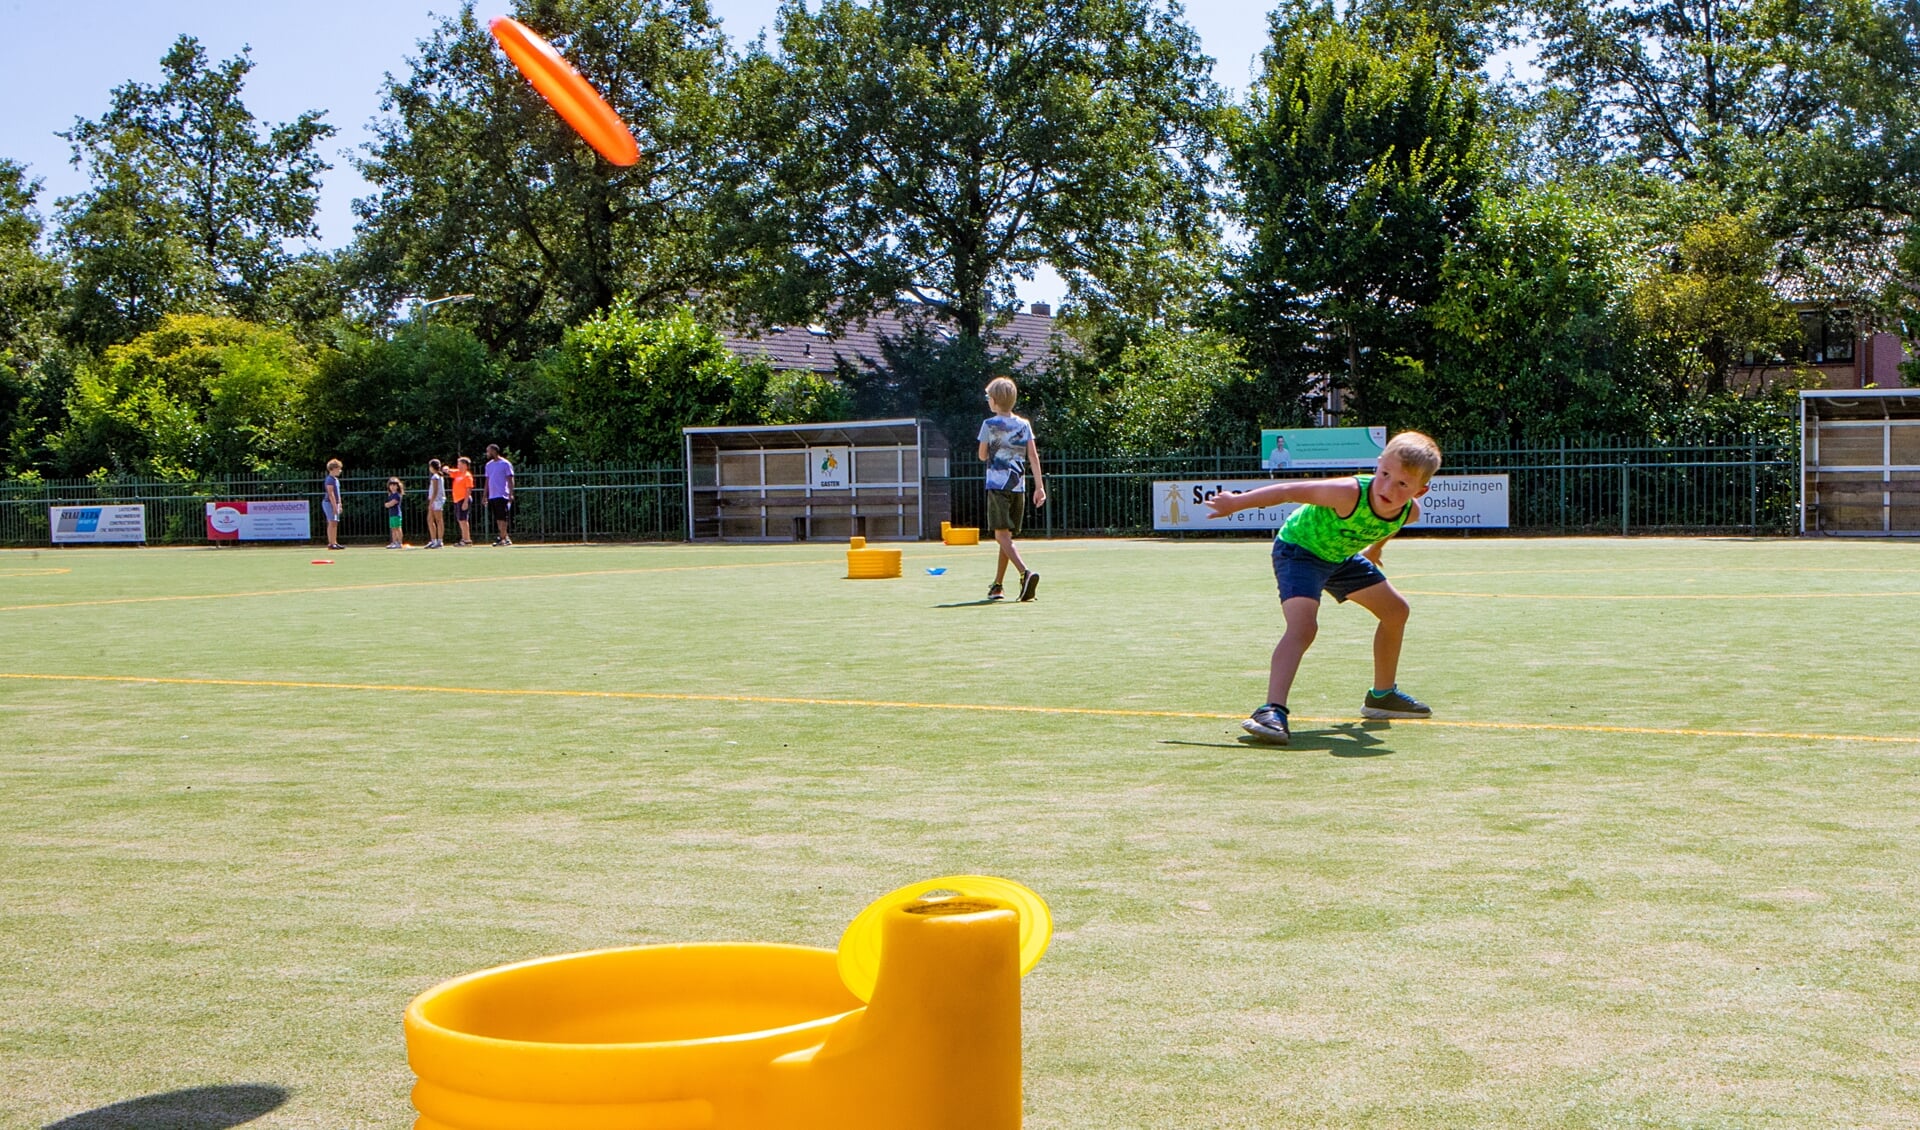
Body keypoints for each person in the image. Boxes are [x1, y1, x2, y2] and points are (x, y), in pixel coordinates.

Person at [1204, 431, 1443, 746]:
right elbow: (1289, 490)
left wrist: (1375, 550)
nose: (1388, 488)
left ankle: (1381, 697)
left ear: (1420, 490)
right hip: (1299, 551)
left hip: (1340, 558)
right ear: (1378, 464)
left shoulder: (1409, 511)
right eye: (1385, 475)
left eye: (1402, 485)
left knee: (1396, 611)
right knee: (1303, 627)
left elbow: (1390, 523)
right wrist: (1236, 503)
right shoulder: (1346, 492)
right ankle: (1270, 710)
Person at [977, 376, 1046, 601]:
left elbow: (982, 454)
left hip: (997, 485)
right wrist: (1039, 487)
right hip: (1018, 486)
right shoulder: (1024, 424)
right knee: (1005, 537)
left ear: (995, 401)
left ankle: (1025, 573)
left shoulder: (989, 425)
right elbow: (1033, 457)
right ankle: (997, 585)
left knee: (1001, 535)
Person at [484, 444, 515, 546]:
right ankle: (503, 537)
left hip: (502, 494)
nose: (487, 453)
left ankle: (502, 537)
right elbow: (487, 480)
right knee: (498, 517)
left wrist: (511, 493)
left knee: (503, 517)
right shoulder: (488, 465)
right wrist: (485, 495)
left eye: (488, 451)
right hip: (492, 495)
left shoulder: (505, 464)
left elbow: (510, 479)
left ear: (494, 451)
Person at [448, 456, 475, 546]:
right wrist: (445, 469)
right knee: (460, 520)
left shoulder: (467, 476)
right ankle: (464, 539)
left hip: (463, 499)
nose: (458, 466)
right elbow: (449, 471)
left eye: (459, 464)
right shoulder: (458, 473)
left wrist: (465, 502)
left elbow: (469, 489)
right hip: (457, 500)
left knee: (463, 520)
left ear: (465, 465)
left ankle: (467, 540)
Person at [424, 459, 447, 548]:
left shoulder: (436, 477)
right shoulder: (436, 476)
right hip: (435, 500)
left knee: (438, 520)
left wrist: (431, 502)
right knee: (430, 519)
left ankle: (440, 541)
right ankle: (433, 540)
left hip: (437, 501)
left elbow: (435, 490)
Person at [322, 459, 345, 550]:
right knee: (331, 522)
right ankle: (331, 543)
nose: (340, 470)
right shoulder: (329, 479)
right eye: (338, 469)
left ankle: (334, 542)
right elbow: (330, 494)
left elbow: (337, 494)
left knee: (335, 522)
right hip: (329, 503)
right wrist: (335, 506)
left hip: (336, 503)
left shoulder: (336, 479)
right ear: (333, 469)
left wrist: (340, 504)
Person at [384, 477, 406, 549]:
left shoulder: (397, 495)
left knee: (397, 528)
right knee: (393, 529)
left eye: (394, 485)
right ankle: (394, 542)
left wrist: (387, 504)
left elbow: (393, 503)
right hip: (391, 514)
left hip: (397, 514)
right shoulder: (390, 495)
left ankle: (399, 542)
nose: (392, 487)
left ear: (397, 486)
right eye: (391, 485)